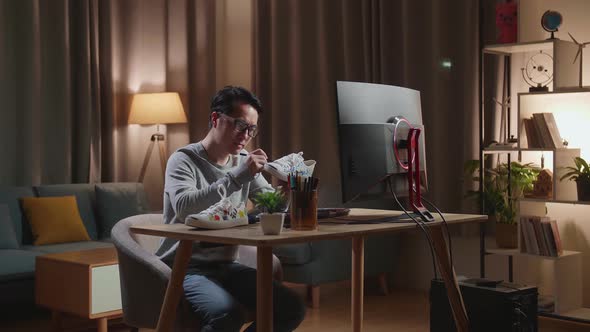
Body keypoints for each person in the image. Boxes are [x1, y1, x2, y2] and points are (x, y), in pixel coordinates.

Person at [156, 86, 306, 332]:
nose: (246, 135)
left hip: (227, 265)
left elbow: (273, 206)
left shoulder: (242, 162)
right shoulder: (183, 160)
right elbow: (184, 208)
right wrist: (238, 176)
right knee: (227, 314)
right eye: (239, 125)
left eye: (251, 129)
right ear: (216, 118)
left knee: (292, 307)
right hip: (185, 266)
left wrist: (286, 188)